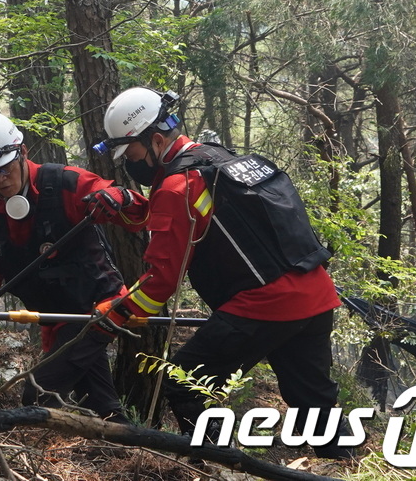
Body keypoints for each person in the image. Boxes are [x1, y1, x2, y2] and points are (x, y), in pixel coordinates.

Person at [93, 87, 349, 458]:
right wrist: (127, 204)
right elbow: (187, 218)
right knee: (315, 402)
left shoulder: (178, 185)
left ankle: (217, 467)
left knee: (185, 385)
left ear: (157, 139)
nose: (129, 163)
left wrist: (115, 315)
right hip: (315, 294)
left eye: (130, 153)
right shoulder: (221, 159)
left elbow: (160, 282)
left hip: (264, 305)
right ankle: (348, 464)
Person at [0, 112, 147, 422]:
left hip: (100, 310)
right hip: (55, 318)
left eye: (5, 168)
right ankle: (136, 451)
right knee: (103, 406)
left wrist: (119, 197)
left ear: (22, 152)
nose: (0, 179)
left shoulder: (65, 183)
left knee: (38, 393)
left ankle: (16, 453)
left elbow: (139, 213)